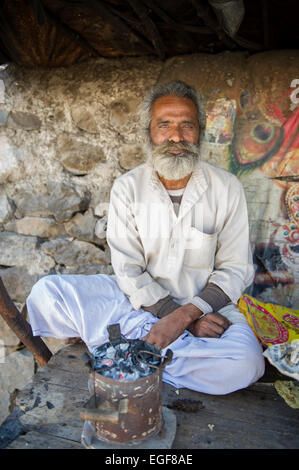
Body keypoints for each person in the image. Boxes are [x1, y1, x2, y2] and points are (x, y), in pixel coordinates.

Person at [27, 81, 265, 395]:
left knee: (247, 363)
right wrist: (180, 322)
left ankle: (131, 352)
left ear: (200, 132)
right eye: (164, 125)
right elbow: (128, 271)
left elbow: (236, 269)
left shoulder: (226, 187)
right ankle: (158, 349)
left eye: (187, 125)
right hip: (137, 304)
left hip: (206, 307)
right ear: (148, 133)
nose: (176, 136)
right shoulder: (128, 187)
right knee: (47, 294)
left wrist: (188, 314)